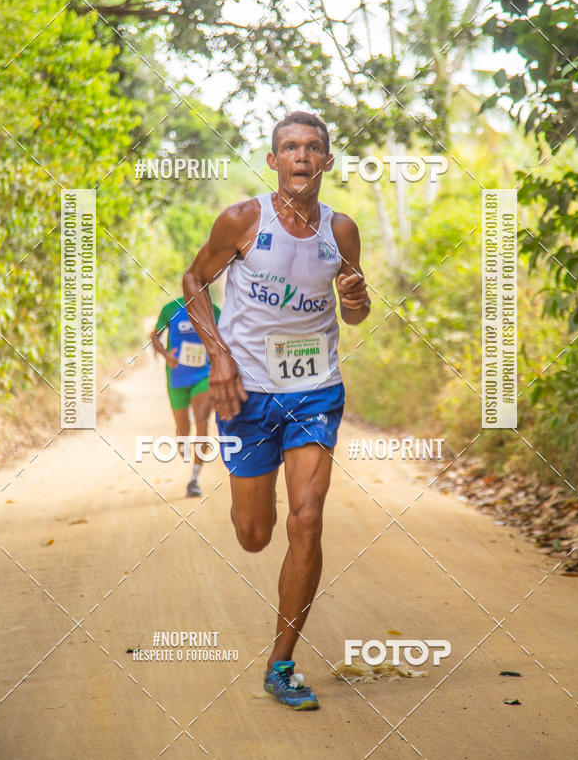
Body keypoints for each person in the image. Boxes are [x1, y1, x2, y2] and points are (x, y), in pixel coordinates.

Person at [182, 110, 370, 709]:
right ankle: (253, 504)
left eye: (312, 147)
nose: (301, 156)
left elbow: (354, 312)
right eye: (289, 147)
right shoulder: (243, 220)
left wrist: (357, 300)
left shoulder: (340, 231)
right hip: (247, 391)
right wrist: (219, 356)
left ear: (327, 161)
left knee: (307, 520)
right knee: (255, 535)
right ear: (273, 161)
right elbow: (193, 281)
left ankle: (281, 664)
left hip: (315, 390)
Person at [151, 296, 221, 497]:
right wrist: (166, 355)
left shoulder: (213, 310)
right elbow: (154, 336)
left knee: (202, 421)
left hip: (203, 374)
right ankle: (182, 439)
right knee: (184, 430)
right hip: (177, 377)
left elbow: (226, 337)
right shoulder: (171, 308)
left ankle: (194, 479)